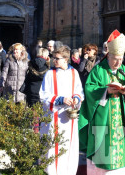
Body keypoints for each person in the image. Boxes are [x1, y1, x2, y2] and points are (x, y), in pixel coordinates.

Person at [78, 30, 125, 174]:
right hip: (103, 119)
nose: (118, 62)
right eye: (115, 59)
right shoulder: (98, 70)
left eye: (120, 59)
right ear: (108, 56)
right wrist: (106, 91)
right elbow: (90, 90)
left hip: (120, 121)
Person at [40, 45, 84, 175]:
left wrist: (76, 99)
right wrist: (60, 100)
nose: (54, 60)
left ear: (66, 59)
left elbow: (79, 91)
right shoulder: (50, 74)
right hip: (54, 116)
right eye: (54, 57)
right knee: (53, 146)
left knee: (69, 145)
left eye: (57, 58)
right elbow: (43, 95)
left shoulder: (74, 73)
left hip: (69, 117)